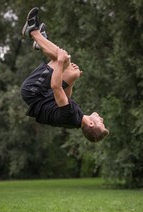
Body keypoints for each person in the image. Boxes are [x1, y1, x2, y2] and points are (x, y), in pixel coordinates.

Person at [21, 7, 109, 142]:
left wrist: (61, 63)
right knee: (70, 70)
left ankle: (33, 31)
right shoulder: (76, 119)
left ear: (91, 124)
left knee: (64, 59)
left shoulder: (72, 116)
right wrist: (72, 80)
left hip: (34, 92)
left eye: (101, 123)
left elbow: (56, 86)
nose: (102, 119)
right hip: (44, 94)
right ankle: (41, 43)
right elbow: (65, 96)